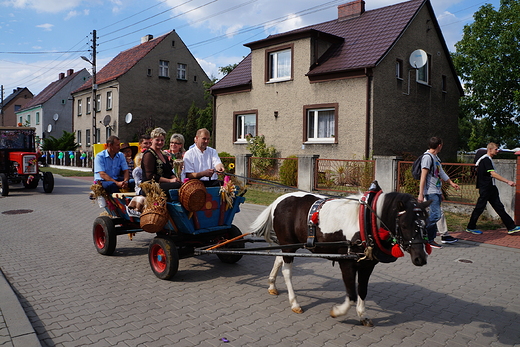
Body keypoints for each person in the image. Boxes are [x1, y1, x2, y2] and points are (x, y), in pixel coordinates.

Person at [466, 142, 520, 235]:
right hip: (486, 188)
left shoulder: (488, 159)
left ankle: (511, 227)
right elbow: (493, 174)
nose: (497, 151)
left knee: (499, 207)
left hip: (491, 188)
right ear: (490, 149)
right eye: (496, 149)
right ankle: (471, 227)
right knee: (479, 208)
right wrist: (508, 181)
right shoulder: (486, 160)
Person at [417, 137, 460, 249]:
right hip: (430, 192)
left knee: (435, 215)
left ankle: (430, 239)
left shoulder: (435, 158)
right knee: (436, 215)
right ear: (439, 145)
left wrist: (451, 183)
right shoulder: (427, 158)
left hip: (436, 191)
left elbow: (441, 173)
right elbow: (423, 176)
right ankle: (420, 231)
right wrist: (420, 193)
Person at [141, 127, 181, 195]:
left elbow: (169, 172)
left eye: (162, 140)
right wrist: (169, 181)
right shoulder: (149, 154)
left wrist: (175, 178)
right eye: (157, 140)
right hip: (151, 186)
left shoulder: (164, 154)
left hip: (164, 184)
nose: (160, 142)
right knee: (177, 186)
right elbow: (150, 176)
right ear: (151, 140)